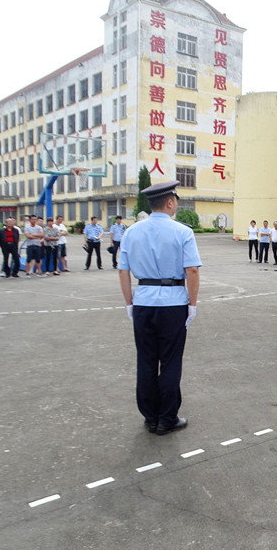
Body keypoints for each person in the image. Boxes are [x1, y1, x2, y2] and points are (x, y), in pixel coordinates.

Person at [118, 180, 201, 436]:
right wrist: (192, 304)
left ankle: (150, 416)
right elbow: (193, 270)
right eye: (175, 199)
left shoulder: (131, 232)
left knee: (145, 361)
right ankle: (167, 418)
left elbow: (123, 270)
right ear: (169, 202)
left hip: (143, 302)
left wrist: (129, 303)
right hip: (173, 303)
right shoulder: (183, 232)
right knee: (170, 361)